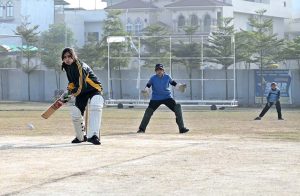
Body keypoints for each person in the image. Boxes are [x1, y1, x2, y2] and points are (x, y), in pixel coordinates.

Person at [61, 47, 104, 145]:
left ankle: (94, 136)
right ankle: (81, 137)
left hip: (93, 89)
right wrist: (66, 93)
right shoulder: (67, 67)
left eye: (69, 56)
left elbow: (80, 86)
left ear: (74, 56)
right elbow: (72, 82)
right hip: (82, 92)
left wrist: (70, 96)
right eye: (65, 57)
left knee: (96, 103)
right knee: (76, 112)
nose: (67, 59)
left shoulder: (80, 66)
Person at [138, 63, 189, 134]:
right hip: (155, 98)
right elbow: (148, 85)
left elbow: (174, 84)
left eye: (160, 70)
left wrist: (180, 86)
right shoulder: (153, 78)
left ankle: (182, 128)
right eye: (157, 70)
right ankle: (141, 129)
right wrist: (146, 90)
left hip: (167, 97)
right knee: (148, 112)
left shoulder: (167, 77)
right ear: (155, 71)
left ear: (163, 71)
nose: (159, 71)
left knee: (178, 108)